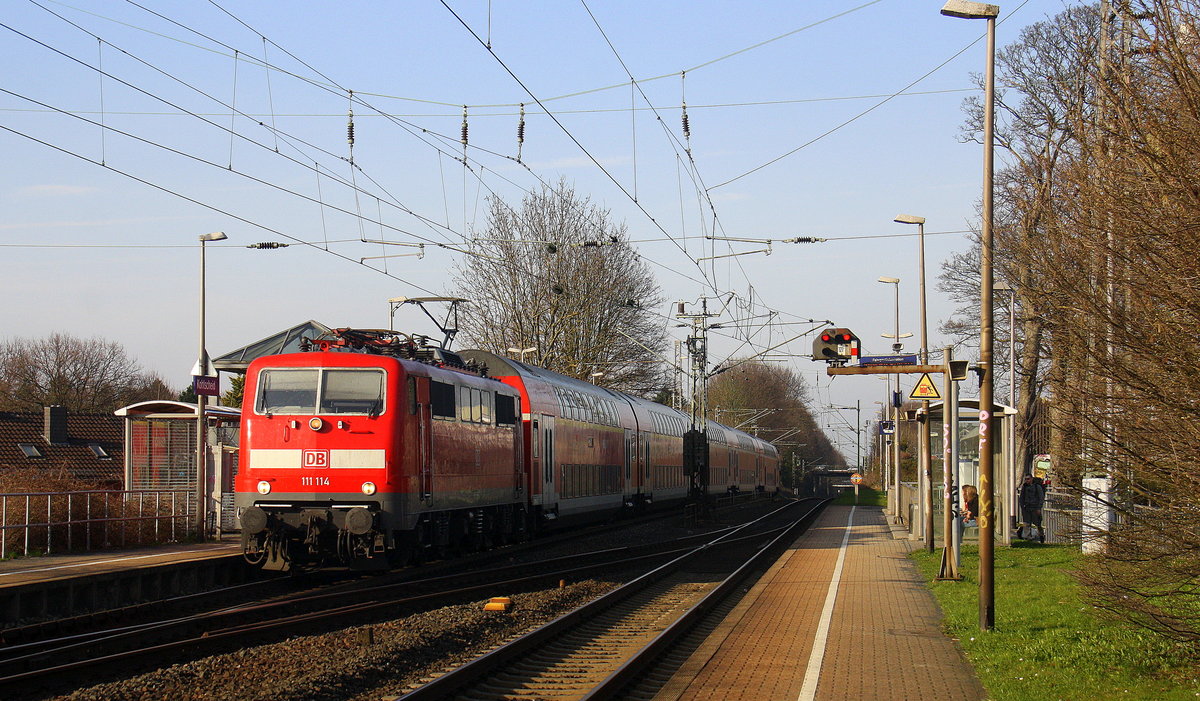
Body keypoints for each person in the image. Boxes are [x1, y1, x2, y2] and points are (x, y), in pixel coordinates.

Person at [1018, 474, 1047, 542]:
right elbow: (1022, 497)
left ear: (1031, 479)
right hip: (1027, 508)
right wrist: (1022, 506)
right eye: (1025, 479)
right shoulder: (1024, 487)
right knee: (1026, 523)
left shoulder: (1037, 487)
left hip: (1035, 508)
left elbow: (1041, 498)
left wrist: (1038, 508)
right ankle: (1028, 538)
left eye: (1028, 479)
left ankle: (1041, 536)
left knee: (1038, 524)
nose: (1026, 481)